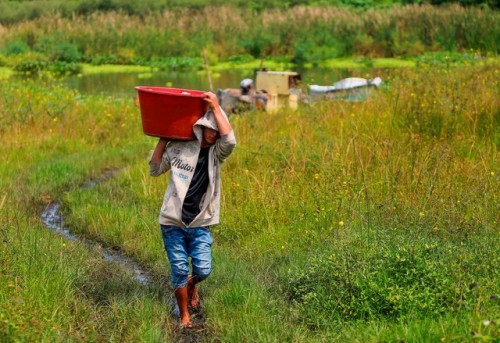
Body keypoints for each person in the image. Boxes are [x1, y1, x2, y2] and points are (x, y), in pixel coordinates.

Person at [149, 92, 236, 329]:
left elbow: (231, 141)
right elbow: (155, 170)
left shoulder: (217, 154)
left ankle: (192, 283)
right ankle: (184, 315)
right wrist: (162, 140)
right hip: (172, 221)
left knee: (203, 269)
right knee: (178, 269)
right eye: (210, 127)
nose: (214, 132)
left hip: (200, 222)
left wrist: (216, 106)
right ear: (200, 126)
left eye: (217, 129)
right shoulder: (180, 147)